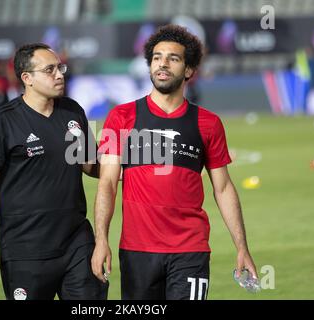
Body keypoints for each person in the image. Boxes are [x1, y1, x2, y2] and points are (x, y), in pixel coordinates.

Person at [91, 25, 258, 300]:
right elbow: (108, 183)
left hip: (190, 249)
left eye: (173, 58)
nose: (162, 64)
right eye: (156, 57)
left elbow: (223, 188)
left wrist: (241, 247)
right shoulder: (120, 117)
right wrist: (101, 240)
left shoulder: (209, 124)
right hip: (137, 251)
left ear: (189, 70)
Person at [0, 43, 107, 300]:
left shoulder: (72, 111)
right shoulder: (2, 121)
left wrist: (125, 168)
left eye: (60, 68)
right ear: (27, 78)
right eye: (50, 69)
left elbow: (89, 163)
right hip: (25, 250)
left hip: (77, 242)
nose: (59, 74)